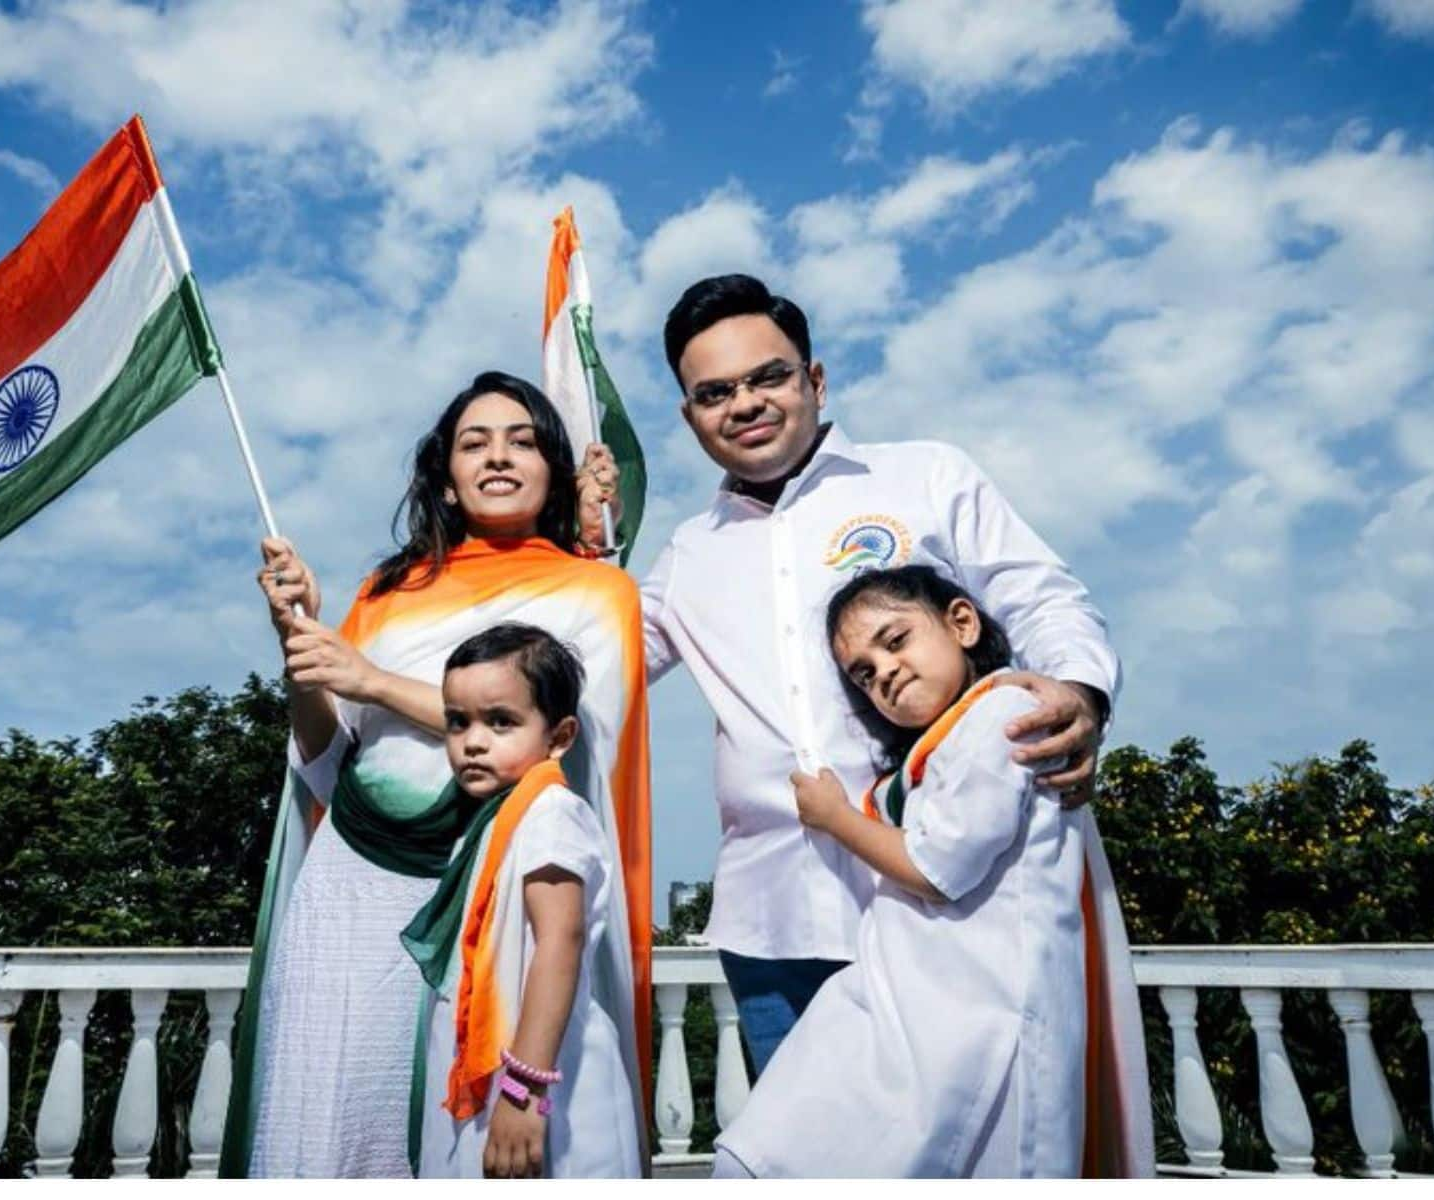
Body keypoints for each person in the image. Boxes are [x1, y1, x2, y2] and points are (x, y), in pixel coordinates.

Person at [629, 274, 1122, 1071]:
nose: (745, 403)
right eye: (715, 392)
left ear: (814, 380)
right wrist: (574, 552)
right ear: (691, 418)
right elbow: (584, 670)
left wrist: (1080, 688)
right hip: (773, 930)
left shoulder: (926, 476)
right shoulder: (687, 557)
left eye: (768, 376)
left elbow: (1043, 597)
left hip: (953, 899)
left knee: (965, 1153)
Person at [218, 372, 651, 1178]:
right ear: (444, 481)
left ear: (554, 470)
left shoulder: (598, 591)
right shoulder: (387, 592)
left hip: (488, 887)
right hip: (349, 887)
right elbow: (323, 755)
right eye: (473, 443)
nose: (497, 456)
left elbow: (562, 734)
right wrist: (302, 649)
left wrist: (369, 679)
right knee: (329, 1112)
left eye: (522, 440)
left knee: (452, 1131)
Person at [711, 565, 1152, 1177]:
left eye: (895, 641)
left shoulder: (1005, 714)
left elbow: (937, 867)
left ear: (962, 623)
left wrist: (835, 817)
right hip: (920, 1008)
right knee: (763, 1151)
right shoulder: (946, 742)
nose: (883, 672)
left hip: (974, 1016)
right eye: (863, 673)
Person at [403, 623, 644, 1179]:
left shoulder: (551, 814)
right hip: (503, 1085)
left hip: (541, 1085)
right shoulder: (491, 824)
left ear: (559, 738)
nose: (474, 740)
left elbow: (560, 941)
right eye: (457, 721)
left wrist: (523, 1090)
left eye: (501, 721)